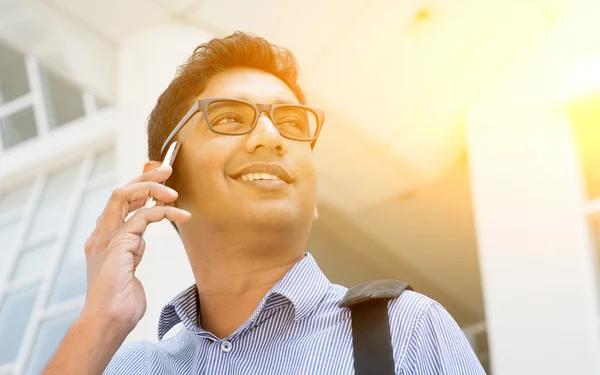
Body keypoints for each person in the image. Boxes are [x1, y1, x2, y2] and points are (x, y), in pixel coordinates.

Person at [42, 31, 485, 374]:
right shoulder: (127, 367)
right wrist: (99, 322)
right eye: (231, 117)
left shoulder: (403, 329)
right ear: (165, 177)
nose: (272, 137)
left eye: (292, 123)